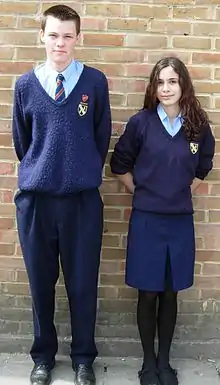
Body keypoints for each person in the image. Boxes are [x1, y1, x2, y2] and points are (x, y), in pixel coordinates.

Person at [12, 4, 111, 385]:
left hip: (82, 202)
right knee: (40, 283)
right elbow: (24, 142)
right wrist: (44, 171)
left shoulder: (94, 83)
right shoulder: (25, 85)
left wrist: (80, 170)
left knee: (83, 282)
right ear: (42, 36)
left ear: (78, 38)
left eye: (68, 35)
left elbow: (101, 137)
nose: (61, 43)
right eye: (53, 34)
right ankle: (43, 357)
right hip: (37, 202)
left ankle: (84, 358)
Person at [110, 56, 215, 385]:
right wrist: (142, 192)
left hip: (180, 221)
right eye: (160, 82)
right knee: (149, 293)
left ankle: (166, 362)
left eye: (172, 81)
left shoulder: (197, 126)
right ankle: (148, 364)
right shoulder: (141, 123)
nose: (166, 88)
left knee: (171, 293)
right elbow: (119, 165)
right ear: (153, 88)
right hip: (147, 220)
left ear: (183, 84)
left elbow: (202, 167)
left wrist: (181, 192)